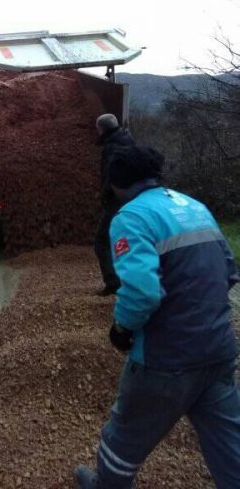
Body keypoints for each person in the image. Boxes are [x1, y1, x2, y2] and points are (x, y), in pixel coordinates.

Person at [75, 145, 240, 489]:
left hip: (165, 359)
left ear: (117, 184)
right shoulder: (195, 207)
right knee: (228, 442)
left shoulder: (130, 217)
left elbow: (142, 291)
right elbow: (228, 271)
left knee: (124, 434)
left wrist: (122, 327)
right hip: (219, 349)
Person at [94, 113, 136, 296]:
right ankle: (132, 281)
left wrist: (103, 196)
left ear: (101, 129)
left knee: (101, 241)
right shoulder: (128, 139)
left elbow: (111, 176)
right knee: (127, 240)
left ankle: (113, 283)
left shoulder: (111, 147)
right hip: (133, 198)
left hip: (117, 200)